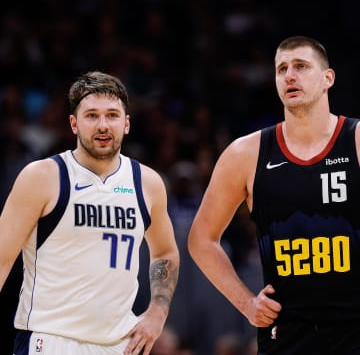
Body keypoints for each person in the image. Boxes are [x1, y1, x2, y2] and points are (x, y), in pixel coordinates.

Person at [188, 35, 360, 354]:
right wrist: (246, 304)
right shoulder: (245, 153)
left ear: (328, 78)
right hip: (287, 335)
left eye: (301, 66)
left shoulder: (356, 140)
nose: (289, 75)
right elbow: (201, 239)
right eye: (281, 69)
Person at [0, 71, 180, 355]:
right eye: (92, 115)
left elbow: (166, 253)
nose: (103, 125)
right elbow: (2, 259)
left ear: (127, 123)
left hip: (119, 344)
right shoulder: (43, 177)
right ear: (74, 123)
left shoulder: (147, 183)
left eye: (112, 115)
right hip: (50, 339)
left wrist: (158, 312)